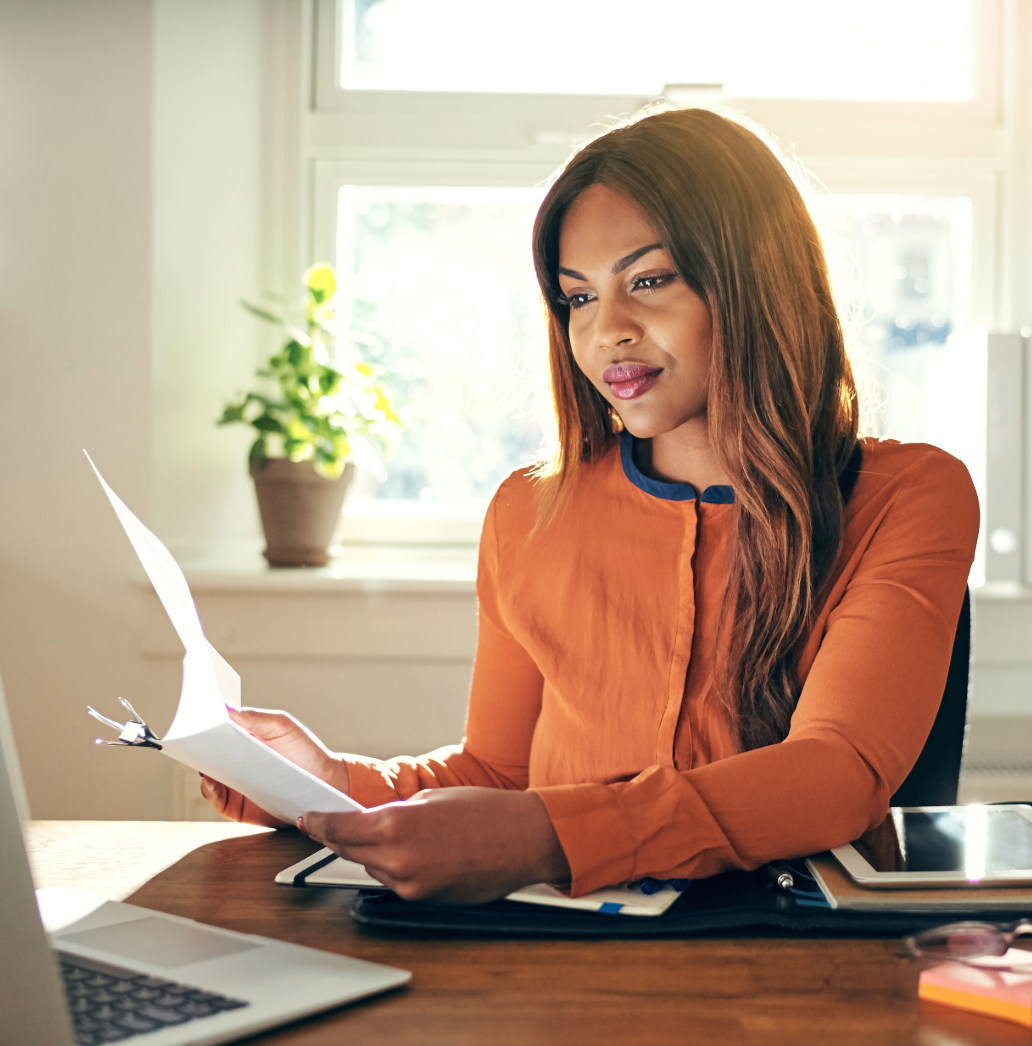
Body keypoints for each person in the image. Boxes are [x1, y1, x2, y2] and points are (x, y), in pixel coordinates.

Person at [201, 106, 978, 905]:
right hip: (557, 960)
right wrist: (330, 783)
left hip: (788, 966)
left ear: (757, 277)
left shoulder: (911, 494)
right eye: (578, 298)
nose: (607, 331)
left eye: (649, 281)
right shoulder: (526, 512)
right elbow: (498, 776)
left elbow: (834, 773)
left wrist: (548, 835)